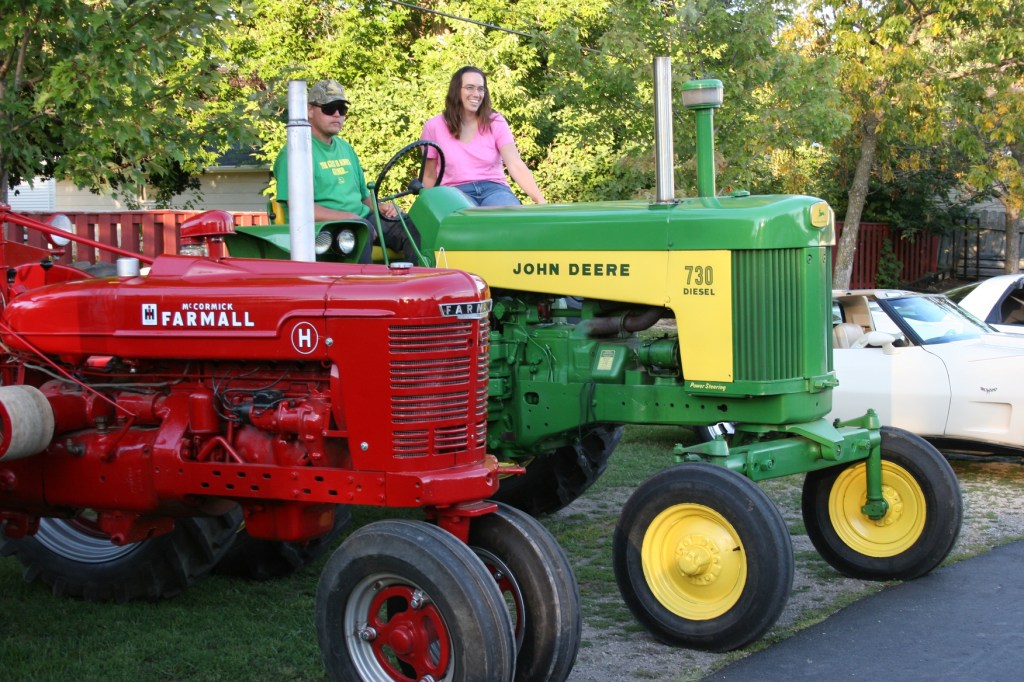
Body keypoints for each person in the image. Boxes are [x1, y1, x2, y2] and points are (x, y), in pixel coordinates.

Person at [274, 79, 420, 263]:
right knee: (359, 230)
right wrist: (349, 217)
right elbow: (300, 210)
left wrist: (381, 208)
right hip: (321, 229)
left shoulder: (346, 148)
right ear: (309, 110)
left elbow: (364, 198)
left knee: (411, 226)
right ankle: (361, 288)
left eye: (342, 109)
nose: (337, 115)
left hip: (359, 219)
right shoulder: (295, 153)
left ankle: (413, 286)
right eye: (329, 108)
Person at [420, 66, 546, 206]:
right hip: (454, 192)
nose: (476, 94)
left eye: (481, 89)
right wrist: (433, 207)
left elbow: (515, 164)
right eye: (469, 87)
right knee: (466, 220)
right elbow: (429, 175)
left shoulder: (495, 121)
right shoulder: (433, 127)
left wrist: (540, 199)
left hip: (494, 190)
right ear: (456, 91)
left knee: (509, 215)